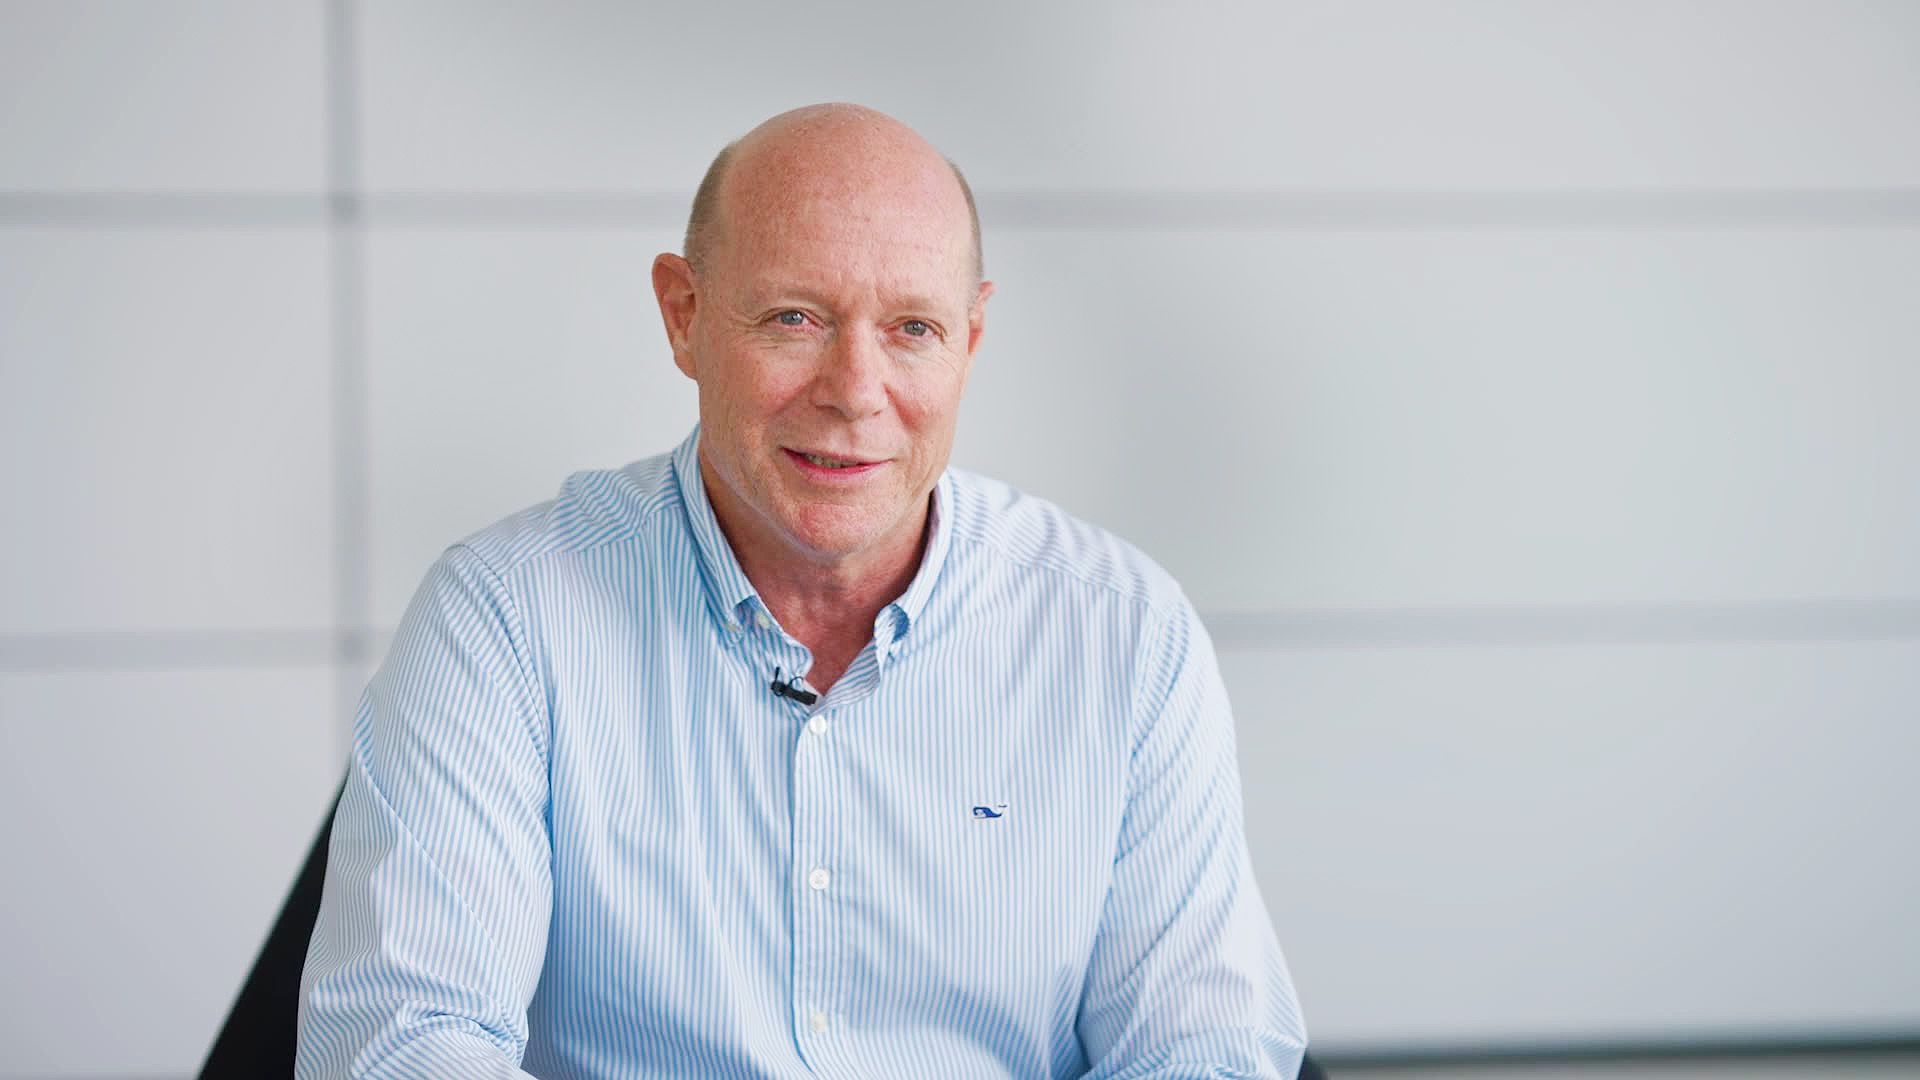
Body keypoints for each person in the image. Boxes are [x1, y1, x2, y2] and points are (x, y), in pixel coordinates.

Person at [297, 103, 1308, 1079]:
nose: (854, 390)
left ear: (971, 339)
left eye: (912, 328)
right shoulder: (505, 620)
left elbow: (1205, 1054)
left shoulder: (1122, 637)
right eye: (795, 318)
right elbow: (397, 1044)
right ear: (684, 317)